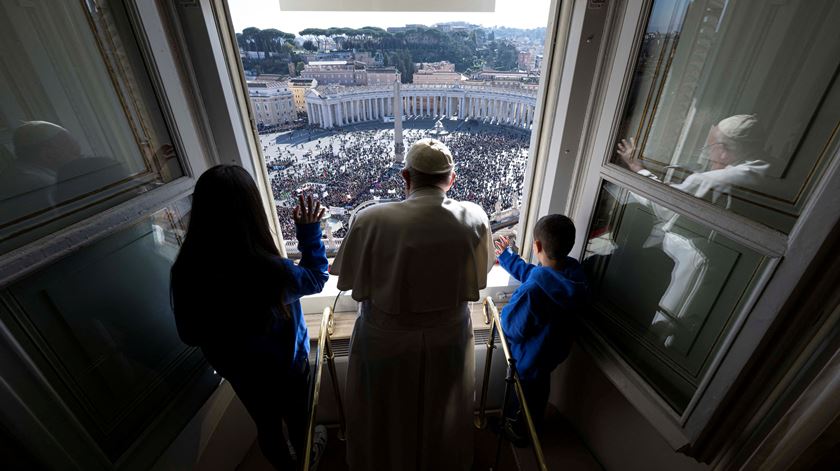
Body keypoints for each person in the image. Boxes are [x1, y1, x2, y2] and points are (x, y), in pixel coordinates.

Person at [330, 138, 495, 470]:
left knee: (385, 412)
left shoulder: (370, 219)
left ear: (405, 177)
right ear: (452, 178)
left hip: (384, 338)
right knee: (442, 412)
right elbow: (481, 274)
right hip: (448, 337)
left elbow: (347, 281)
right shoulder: (475, 216)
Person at [169, 165, 328, 470]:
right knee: (300, 423)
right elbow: (316, 278)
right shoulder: (270, 270)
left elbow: (188, 334)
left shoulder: (186, 271)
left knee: (267, 428)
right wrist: (309, 232)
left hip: (242, 373)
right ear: (254, 210)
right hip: (288, 368)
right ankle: (307, 458)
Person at [493, 215, 588, 445]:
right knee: (538, 396)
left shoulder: (533, 292)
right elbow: (537, 275)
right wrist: (507, 258)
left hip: (528, 360)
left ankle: (520, 434)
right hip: (550, 355)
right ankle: (530, 424)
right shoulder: (573, 274)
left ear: (536, 246)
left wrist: (506, 309)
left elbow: (511, 326)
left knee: (522, 402)